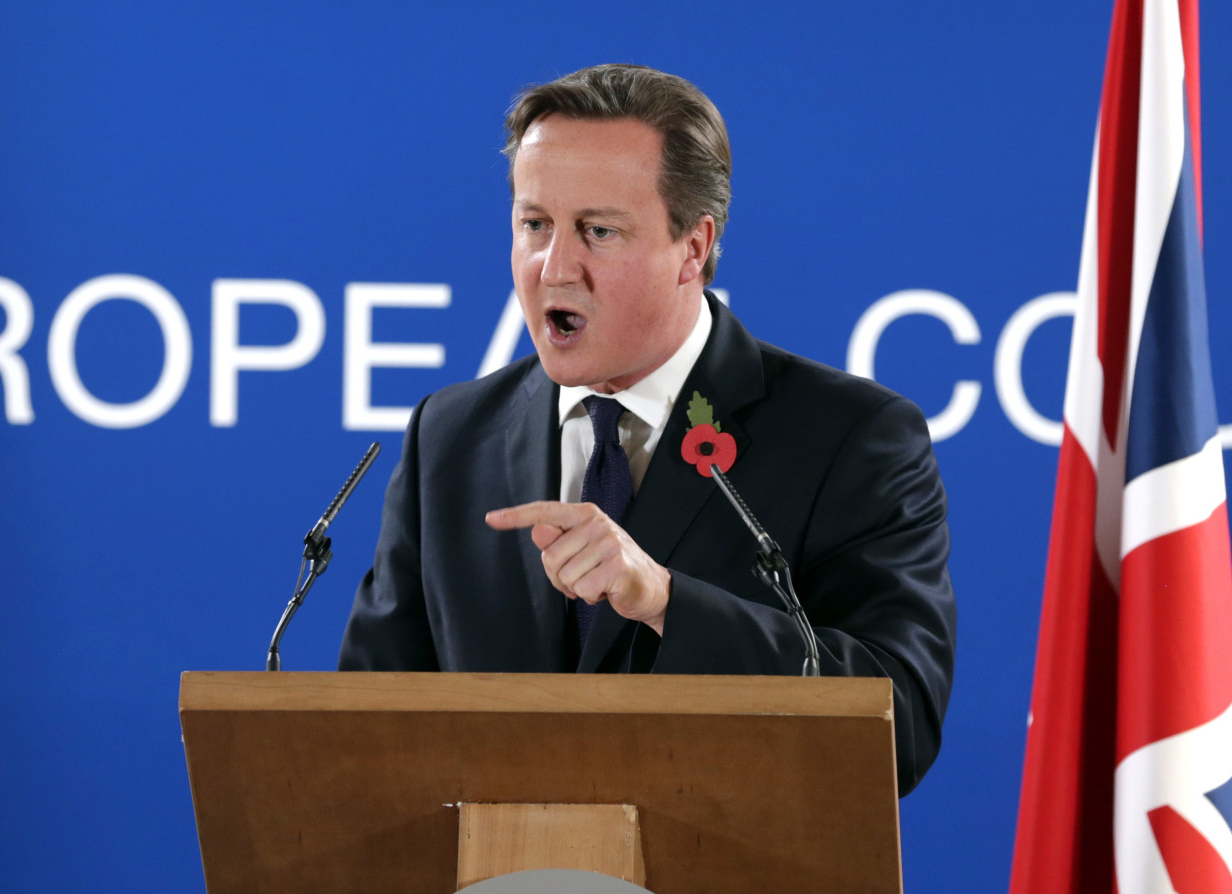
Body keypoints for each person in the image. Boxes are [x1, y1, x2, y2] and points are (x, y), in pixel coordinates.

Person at [340, 63, 956, 796]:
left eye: (597, 231)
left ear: (693, 249)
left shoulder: (852, 437)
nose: (554, 266)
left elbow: (901, 724)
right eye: (534, 224)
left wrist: (668, 602)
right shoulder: (450, 434)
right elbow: (369, 726)